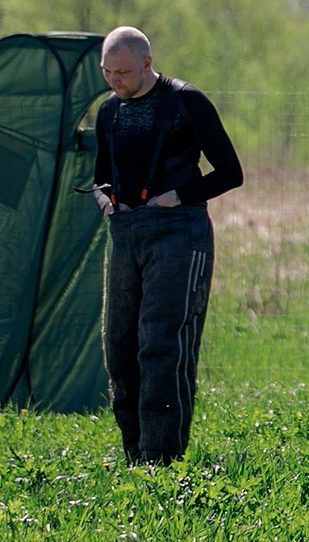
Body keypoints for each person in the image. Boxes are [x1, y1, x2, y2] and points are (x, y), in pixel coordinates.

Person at [90, 26, 244, 466]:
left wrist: (177, 196)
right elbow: (100, 176)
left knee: (162, 344)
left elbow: (230, 172)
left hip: (180, 231)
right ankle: (134, 452)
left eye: (122, 71)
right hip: (125, 234)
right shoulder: (108, 112)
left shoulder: (185, 101)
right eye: (107, 72)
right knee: (119, 345)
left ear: (146, 63)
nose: (115, 80)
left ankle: (162, 456)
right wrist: (106, 202)